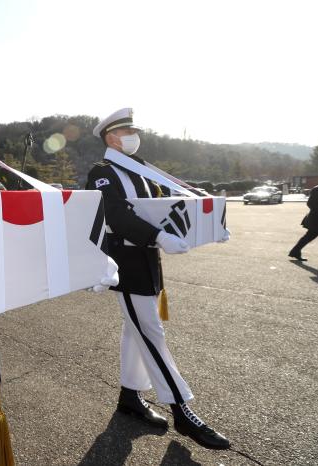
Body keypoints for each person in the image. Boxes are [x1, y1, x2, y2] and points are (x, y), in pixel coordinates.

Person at [86, 108, 230, 450]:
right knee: (150, 332)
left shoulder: (142, 170)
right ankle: (181, 408)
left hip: (148, 262)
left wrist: (208, 227)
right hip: (126, 263)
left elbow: (167, 208)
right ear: (110, 137)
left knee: (135, 332)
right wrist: (159, 237)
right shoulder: (102, 172)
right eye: (127, 130)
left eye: (135, 129)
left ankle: (130, 396)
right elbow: (117, 215)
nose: (135, 135)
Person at [289, 183, 318, 261]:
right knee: (310, 236)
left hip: (316, 218)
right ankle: (295, 251)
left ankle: (295, 251)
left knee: (309, 236)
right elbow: (310, 203)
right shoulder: (317, 189)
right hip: (317, 218)